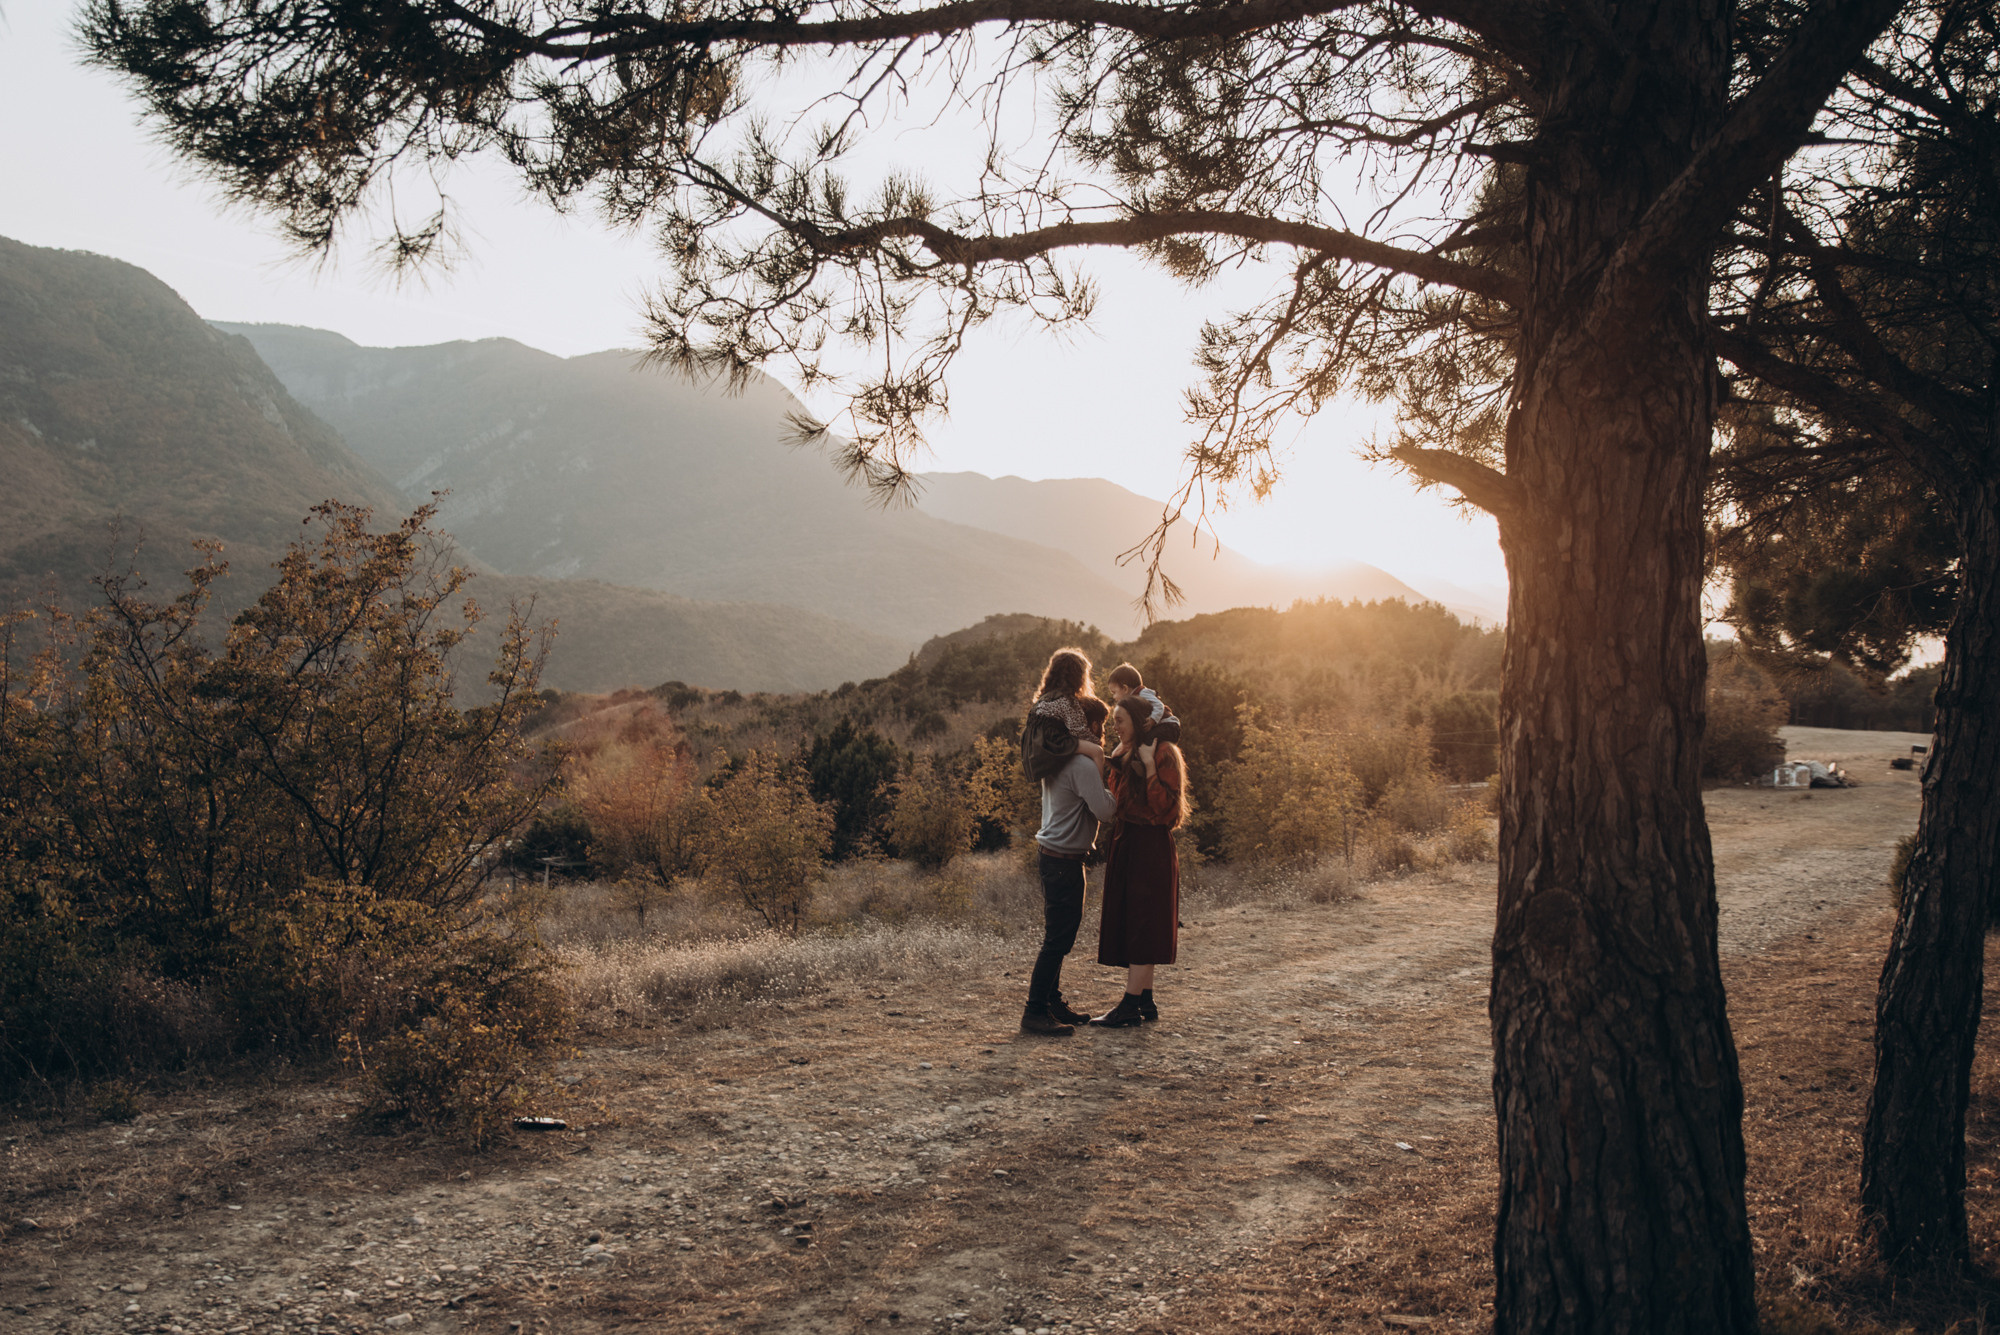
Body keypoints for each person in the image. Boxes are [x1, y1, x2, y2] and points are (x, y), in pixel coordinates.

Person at [1021, 654, 1116, 1037]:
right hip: (1063, 861)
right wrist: (1114, 784)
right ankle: (1034, 1012)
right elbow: (1105, 811)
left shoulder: (1055, 758)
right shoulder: (1078, 764)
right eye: (1100, 728)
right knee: (1057, 940)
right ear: (1087, 725)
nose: (1102, 736)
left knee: (1059, 936)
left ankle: (1052, 1004)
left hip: (1054, 857)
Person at [1091, 692, 1188, 1027]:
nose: (1114, 727)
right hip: (1128, 842)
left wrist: (1147, 765)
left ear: (1135, 719)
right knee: (1134, 919)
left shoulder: (1163, 753)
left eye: (1119, 720)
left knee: (1144, 922)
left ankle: (1130, 1005)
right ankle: (1145, 1000)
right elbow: (1118, 802)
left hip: (1150, 845)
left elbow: (1167, 811)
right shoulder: (1124, 751)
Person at [1104, 662, 1182, 744]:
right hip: (1162, 727)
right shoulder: (1132, 702)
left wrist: (1153, 720)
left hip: (1168, 726)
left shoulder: (1142, 693)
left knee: (1147, 741)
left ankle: (1148, 756)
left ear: (1125, 688)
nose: (1113, 697)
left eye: (1114, 692)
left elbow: (1159, 705)